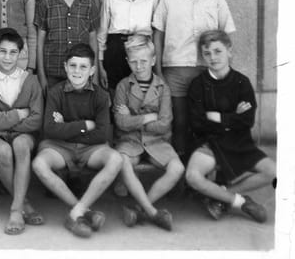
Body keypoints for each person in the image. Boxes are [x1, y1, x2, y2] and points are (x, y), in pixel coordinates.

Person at [152, 0, 235, 161]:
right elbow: (158, 36)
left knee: (203, 121)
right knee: (179, 122)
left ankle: (203, 166)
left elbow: (226, 36)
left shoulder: (215, 0)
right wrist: (158, 71)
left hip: (207, 71)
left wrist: (225, 72)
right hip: (175, 71)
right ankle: (181, 167)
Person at [31, 43, 122, 238]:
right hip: (59, 147)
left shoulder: (100, 96)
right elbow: (50, 129)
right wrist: (85, 124)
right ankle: (83, 211)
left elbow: (102, 134)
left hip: (91, 148)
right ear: (65, 67)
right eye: (72, 66)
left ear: (92, 70)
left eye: (83, 67)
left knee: (115, 159)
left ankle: (75, 213)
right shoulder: (55, 92)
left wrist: (65, 127)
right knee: (39, 164)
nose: (77, 71)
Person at [185, 30, 276, 223]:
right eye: (207, 53)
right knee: (193, 176)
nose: (213, 57)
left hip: (239, 142)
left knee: (273, 172)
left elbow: (247, 121)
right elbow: (198, 124)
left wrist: (218, 117)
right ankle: (239, 201)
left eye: (218, 51)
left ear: (229, 51)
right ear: (202, 57)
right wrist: (233, 117)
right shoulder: (198, 85)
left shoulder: (242, 82)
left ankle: (220, 195)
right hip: (210, 143)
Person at [113, 36, 182, 231]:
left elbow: (164, 124)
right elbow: (120, 123)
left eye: (143, 61)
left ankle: (140, 208)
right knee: (122, 160)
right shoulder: (123, 86)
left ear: (153, 60)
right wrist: (148, 117)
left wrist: (133, 119)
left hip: (157, 141)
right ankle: (152, 212)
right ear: (127, 61)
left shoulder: (163, 87)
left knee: (177, 168)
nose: (139, 66)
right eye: (133, 61)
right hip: (130, 140)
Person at [0, 28, 44, 235]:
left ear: (20, 54)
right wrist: (18, 114)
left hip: (24, 134)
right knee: (4, 151)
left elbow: (36, 119)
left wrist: (3, 119)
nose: (7, 57)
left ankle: (16, 210)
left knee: (20, 145)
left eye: (13, 52)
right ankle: (24, 203)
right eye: (3, 51)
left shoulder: (30, 80)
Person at [35, 0, 99, 90]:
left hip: (81, 76)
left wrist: (95, 76)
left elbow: (93, 42)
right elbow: (40, 42)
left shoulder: (89, 4)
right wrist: (41, 76)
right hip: (53, 74)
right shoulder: (45, 4)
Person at [97, 0, 159, 93]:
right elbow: (102, 34)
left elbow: (157, 31)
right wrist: (100, 65)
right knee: (117, 94)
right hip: (116, 50)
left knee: (140, 95)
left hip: (143, 50)